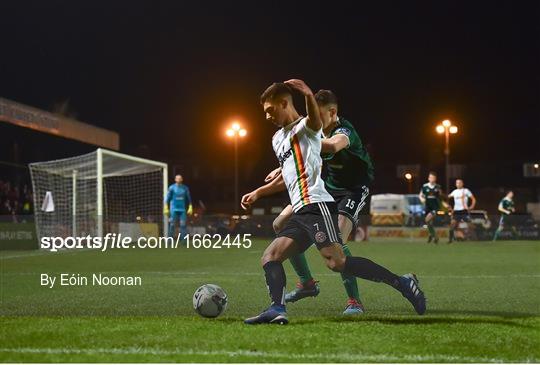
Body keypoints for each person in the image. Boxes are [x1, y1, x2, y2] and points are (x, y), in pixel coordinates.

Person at [241, 79, 425, 325]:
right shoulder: (277, 139)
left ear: (285, 103)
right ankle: (277, 308)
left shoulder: (308, 127)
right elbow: (290, 173)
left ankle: (401, 283)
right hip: (301, 209)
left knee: (337, 262)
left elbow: (317, 126)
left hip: (317, 205)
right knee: (270, 255)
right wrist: (259, 192)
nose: (266, 116)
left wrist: (307, 93)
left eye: (270, 110)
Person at [265, 89, 373, 315]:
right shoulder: (312, 131)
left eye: (318, 114)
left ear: (332, 112)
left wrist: (297, 149)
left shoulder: (344, 131)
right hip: (326, 188)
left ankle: (354, 301)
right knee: (280, 224)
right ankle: (307, 283)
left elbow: (333, 145)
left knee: (338, 239)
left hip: (352, 191)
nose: (312, 119)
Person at [448, 179, 476, 243]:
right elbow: (447, 197)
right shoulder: (454, 191)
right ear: (455, 184)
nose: (458, 184)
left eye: (460, 183)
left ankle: (473, 238)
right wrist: (449, 206)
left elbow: (473, 199)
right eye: (457, 183)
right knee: (452, 224)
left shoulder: (466, 191)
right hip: (456, 211)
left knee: (470, 224)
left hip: (464, 211)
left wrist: (472, 206)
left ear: (462, 183)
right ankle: (450, 239)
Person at [165, 174, 193, 238]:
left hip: (182, 210)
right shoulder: (171, 187)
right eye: (177, 178)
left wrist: (190, 206)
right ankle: (170, 241)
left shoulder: (185, 188)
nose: (178, 179)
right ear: (175, 179)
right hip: (173, 209)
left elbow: (189, 198)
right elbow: (168, 198)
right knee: (172, 225)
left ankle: (184, 242)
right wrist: (166, 207)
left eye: (180, 178)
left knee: (183, 225)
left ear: (182, 179)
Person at [419, 172, 443, 243]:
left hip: (435, 207)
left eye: (433, 178)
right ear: (428, 178)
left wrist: (444, 204)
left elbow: (440, 197)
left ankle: (435, 236)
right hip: (427, 207)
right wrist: (422, 199)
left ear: (435, 179)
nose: (432, 179)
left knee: (427, 220)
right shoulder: (425, 186)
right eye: (431, 177)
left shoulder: (438, 187)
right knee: (429, 223)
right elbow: (420, 195)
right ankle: (431, 234)